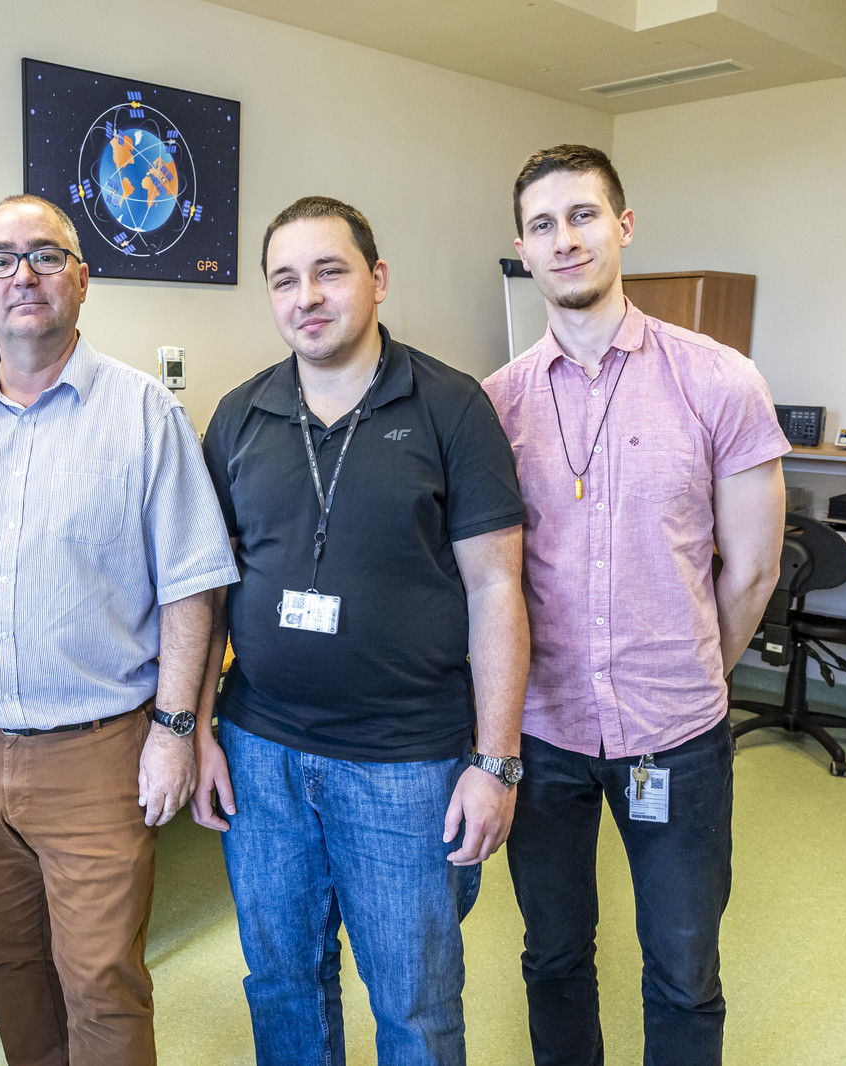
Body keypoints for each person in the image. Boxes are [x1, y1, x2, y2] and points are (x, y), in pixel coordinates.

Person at [0, 194, 238, 1066]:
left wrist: (175, 730)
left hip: (97, 752)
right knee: (10, 964)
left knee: (101, 984)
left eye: (45, 256)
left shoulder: (145, 414)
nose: (23, 276)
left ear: (82, 279)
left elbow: (193, 587)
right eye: (0, 259)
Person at [195, 195, 531, 1065]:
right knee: (281, 983)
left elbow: (497, 587)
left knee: (414, 1004)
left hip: (405, 764)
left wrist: (496, 761)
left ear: (377, 280)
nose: (306, 296)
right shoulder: (239, 416)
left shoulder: (452, 407)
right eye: (284, 280)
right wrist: (195, 730)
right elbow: (208, 590)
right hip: (262, 754)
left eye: (329, 271)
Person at [482, 145, 787, 1066]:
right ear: (523, 250)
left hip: (676, 735)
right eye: (542, 225)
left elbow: (754, 571)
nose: (565, 240)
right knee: (553, 956)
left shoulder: (719, 380)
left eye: (583, 215)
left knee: (685, 968)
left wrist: (691, 671)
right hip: (543, 733)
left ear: (623, 225)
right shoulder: (494, 406)